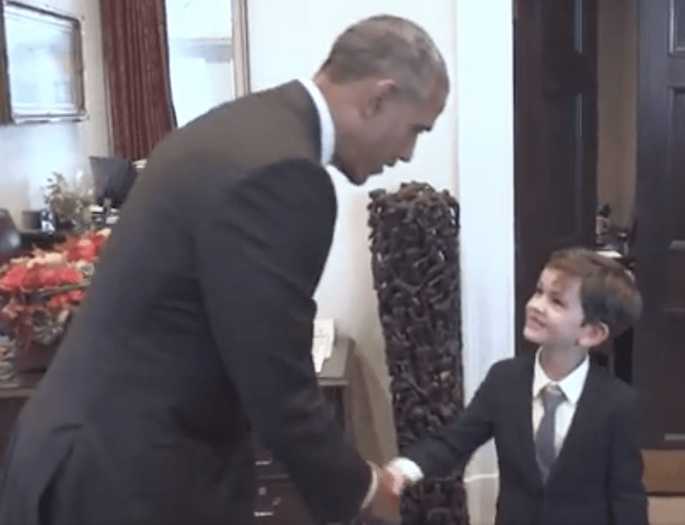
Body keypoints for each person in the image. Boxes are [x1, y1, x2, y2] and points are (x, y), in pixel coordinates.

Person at [0, 14, 448, 525]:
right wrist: (362, 490)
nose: (409, 153)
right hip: (127, 479)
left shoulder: (239, 126)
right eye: (415, 129)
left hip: (78, 457)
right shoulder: (284, 173)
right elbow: (276, 379)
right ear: (378, 98)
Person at [385, 247, 648, 525]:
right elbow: (455, 441)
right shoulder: (504, 380)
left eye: (557, 302)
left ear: (592, 333)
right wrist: (405, 468)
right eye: (538, 292)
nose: (536, 305)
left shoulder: (618, 403)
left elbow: (626, 493)